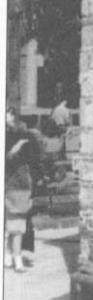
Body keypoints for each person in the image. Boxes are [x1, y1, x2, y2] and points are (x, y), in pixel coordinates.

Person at [5, 107, 40, 273]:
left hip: (18, 188)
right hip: (14, 187)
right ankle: (13, 257)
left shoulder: (23, 140)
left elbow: (31, 165)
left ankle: (13, 257)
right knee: (14, 226)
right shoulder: (16, 139)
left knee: (16, 226)